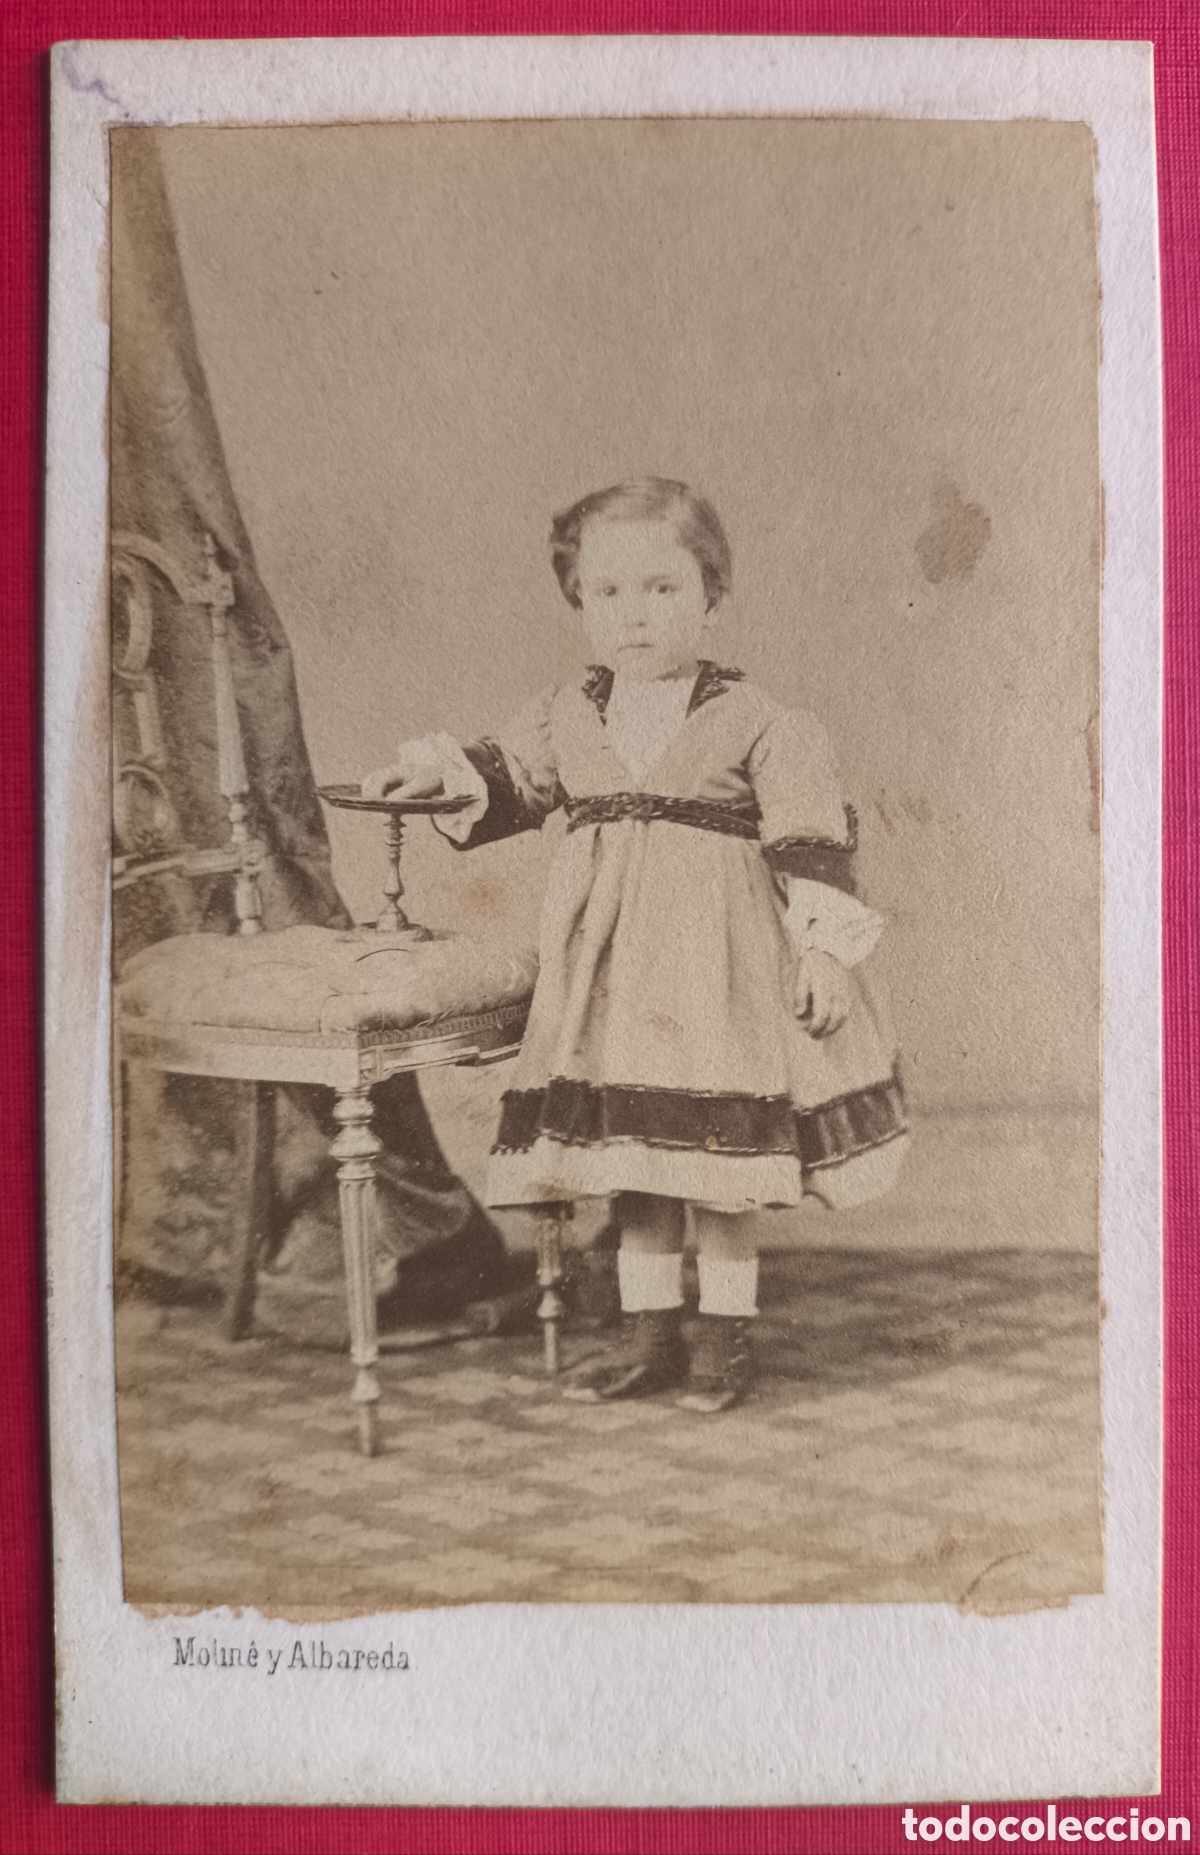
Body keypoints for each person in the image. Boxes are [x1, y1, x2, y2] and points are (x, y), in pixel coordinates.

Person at [363, 478, 906, 1411]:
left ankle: (723, 1342)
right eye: (608, 592)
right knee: (636, 1167)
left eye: (662, 588)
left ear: (711, 595)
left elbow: (813, 841)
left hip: (718, 977)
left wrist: (821, 952)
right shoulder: (567, 714)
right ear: (579, 600)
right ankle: (649, 1339)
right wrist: (431, 775)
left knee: (721, 1174)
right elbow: (504, 779)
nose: (635, 615)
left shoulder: (761, 720)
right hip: (610, 979)